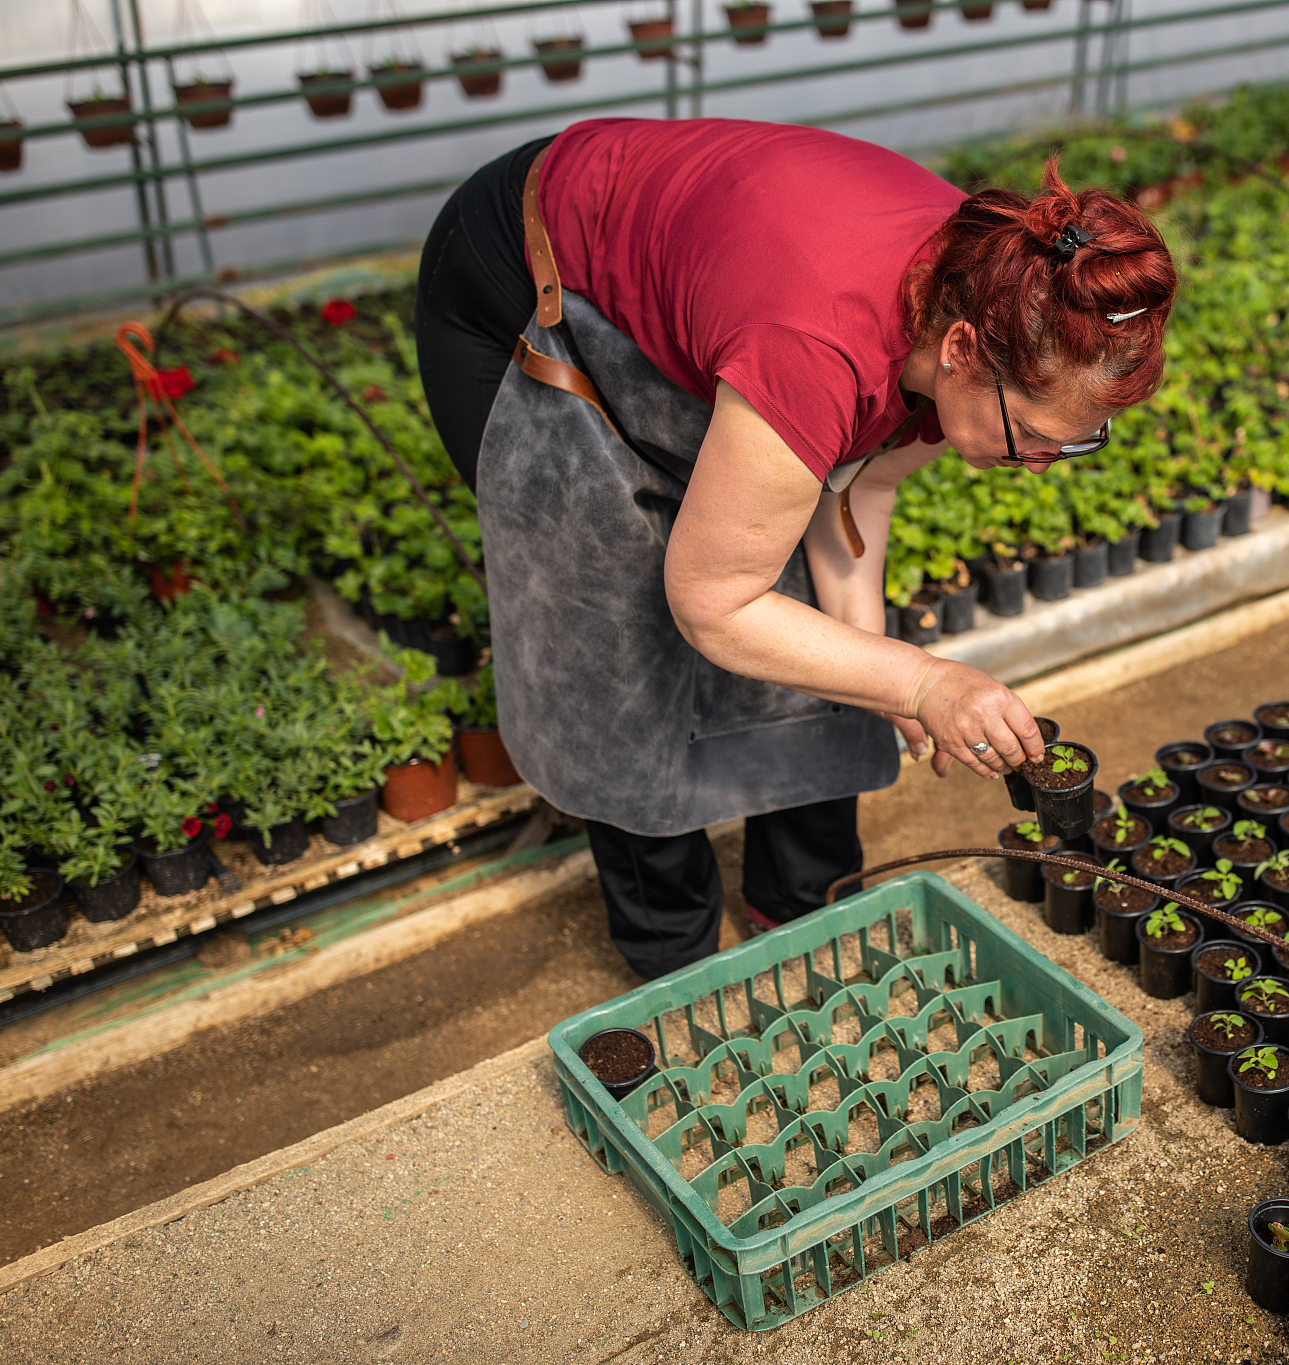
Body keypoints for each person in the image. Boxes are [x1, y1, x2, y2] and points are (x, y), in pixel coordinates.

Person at [414, 118, 1176, 979]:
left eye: (1075, 442)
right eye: (1035, 434)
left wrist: (881, 664)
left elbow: (860, 482)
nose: (1040, 464)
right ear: (962, 352)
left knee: (809, 625)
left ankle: (800, 901)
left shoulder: (999, 294)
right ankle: (672, 948)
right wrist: (923, 680)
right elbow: (712, 604)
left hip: (751, 309)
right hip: (524, 288)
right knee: (620, 627)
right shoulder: (823, 346)